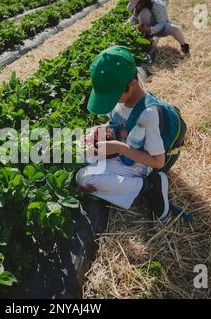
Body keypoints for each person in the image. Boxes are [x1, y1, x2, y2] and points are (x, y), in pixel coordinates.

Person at [76, 45, 186, 221]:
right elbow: (117, 124)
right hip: (123, 149)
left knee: (85, 179)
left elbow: (157, 161)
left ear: (132, 84)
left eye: (112, 95)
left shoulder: (147, 114)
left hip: (141, 163)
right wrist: (99, 132)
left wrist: (119, 148)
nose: (110, 101)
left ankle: (151, 186)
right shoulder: (121, 100)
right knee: (77, 154)